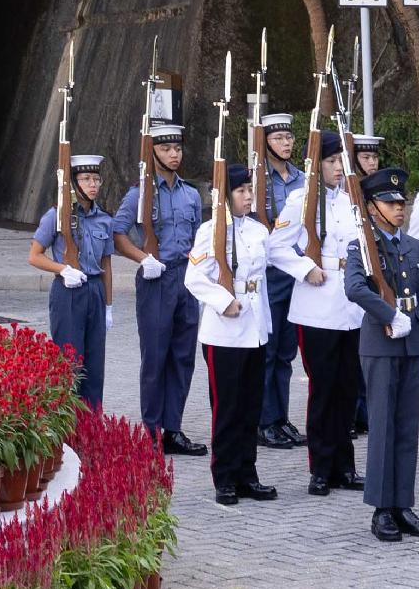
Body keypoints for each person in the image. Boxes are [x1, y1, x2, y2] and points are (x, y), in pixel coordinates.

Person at [330, 168, 419, 538]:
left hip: (409, 342)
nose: (399, 208)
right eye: (390, 203)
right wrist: (390, 314)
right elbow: (355, 288)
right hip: (380, 344)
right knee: (383, 427)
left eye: (402, 202)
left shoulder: (413, 246)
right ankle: (381, 509)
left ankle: (404, 504)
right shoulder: (362, 245)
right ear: (372, 207)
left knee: (407, 428)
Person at [181, 159, 282, 508]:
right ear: (225, 196)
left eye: (250, 190)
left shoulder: (257, 231)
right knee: (227, 408)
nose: (248, 196)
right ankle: (224, 477)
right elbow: (193, 279)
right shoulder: (210, 231)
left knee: (250, 406)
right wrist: (224, 302)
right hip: (224, 331)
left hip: (253, 328)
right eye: (241, 190)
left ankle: (247, 474)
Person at [274, 133, 366, 496]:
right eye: (331, 162)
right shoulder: (301, 200)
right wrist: (304, 268)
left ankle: (345, 466)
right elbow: (275, 248)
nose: (339, 168)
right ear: (318, 164)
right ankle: (321, 467)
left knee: (348, 388)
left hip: (350, 305)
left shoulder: (352, 201)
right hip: (317, 304)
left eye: (342, 161)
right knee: (323, 388)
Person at [121, 117, 207, 455]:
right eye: (166, 148)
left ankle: (173, 429)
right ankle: (152, 430)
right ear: (151, 152)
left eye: (177, 148)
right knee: (155, 357)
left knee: (183, 357)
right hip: (157, 278)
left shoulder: (190, 194)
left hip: (186, 277)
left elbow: (200, 236)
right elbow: (118, 233)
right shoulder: (139, 194)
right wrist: (143, 259)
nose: (174, 154)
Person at [28, 152, 119, 410]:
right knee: (69, 365)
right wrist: (62, 269)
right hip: (68, 291)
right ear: (74, 183)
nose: (93, 184)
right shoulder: (57, 215)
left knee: (94, 366)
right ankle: (67, 432)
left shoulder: (104, 219)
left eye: (97, 179)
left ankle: (91, 431)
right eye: (87, 178)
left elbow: (106, 266)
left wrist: (109, 305)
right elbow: (34, 256)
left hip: (94, 290)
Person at [251, 114, 307, 449]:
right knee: (268, 351)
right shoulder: (257, 179)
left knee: (286, 350)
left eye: (289, 137)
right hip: (269, 273)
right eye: (278, 138)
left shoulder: (302, 179)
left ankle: (280, 417)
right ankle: (264, 420)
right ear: (265, 142)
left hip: (296, 271)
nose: (286, 143)